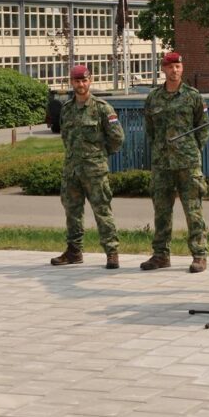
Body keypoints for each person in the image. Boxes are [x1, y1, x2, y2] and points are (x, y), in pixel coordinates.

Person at [140, 51, 209, 273]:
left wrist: (191, 150)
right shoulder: (153, 98)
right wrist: (160, 150)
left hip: (187, 163)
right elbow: (150, 129)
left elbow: (203, 128)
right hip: (162, 164)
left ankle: (199, 254)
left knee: (193, 210)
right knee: (161, 211)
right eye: (170, 67)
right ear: (163, 69)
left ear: (182, 67)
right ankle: (161, 255)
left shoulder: (193, 96)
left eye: (178, 66)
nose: (174, 70)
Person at [51, 64, 124, 269]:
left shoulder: (102, 108)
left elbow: (117, 138)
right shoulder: (67, 109)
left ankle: (112, 252)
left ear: (90, 81)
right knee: (72, 212)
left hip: (95, 170)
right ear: (71, 82)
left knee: (102, 211)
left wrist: (99, 155)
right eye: (77, 81)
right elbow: (66, 137)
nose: (81, 84)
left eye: (84, 80)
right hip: (72, 170)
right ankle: (74, 251)